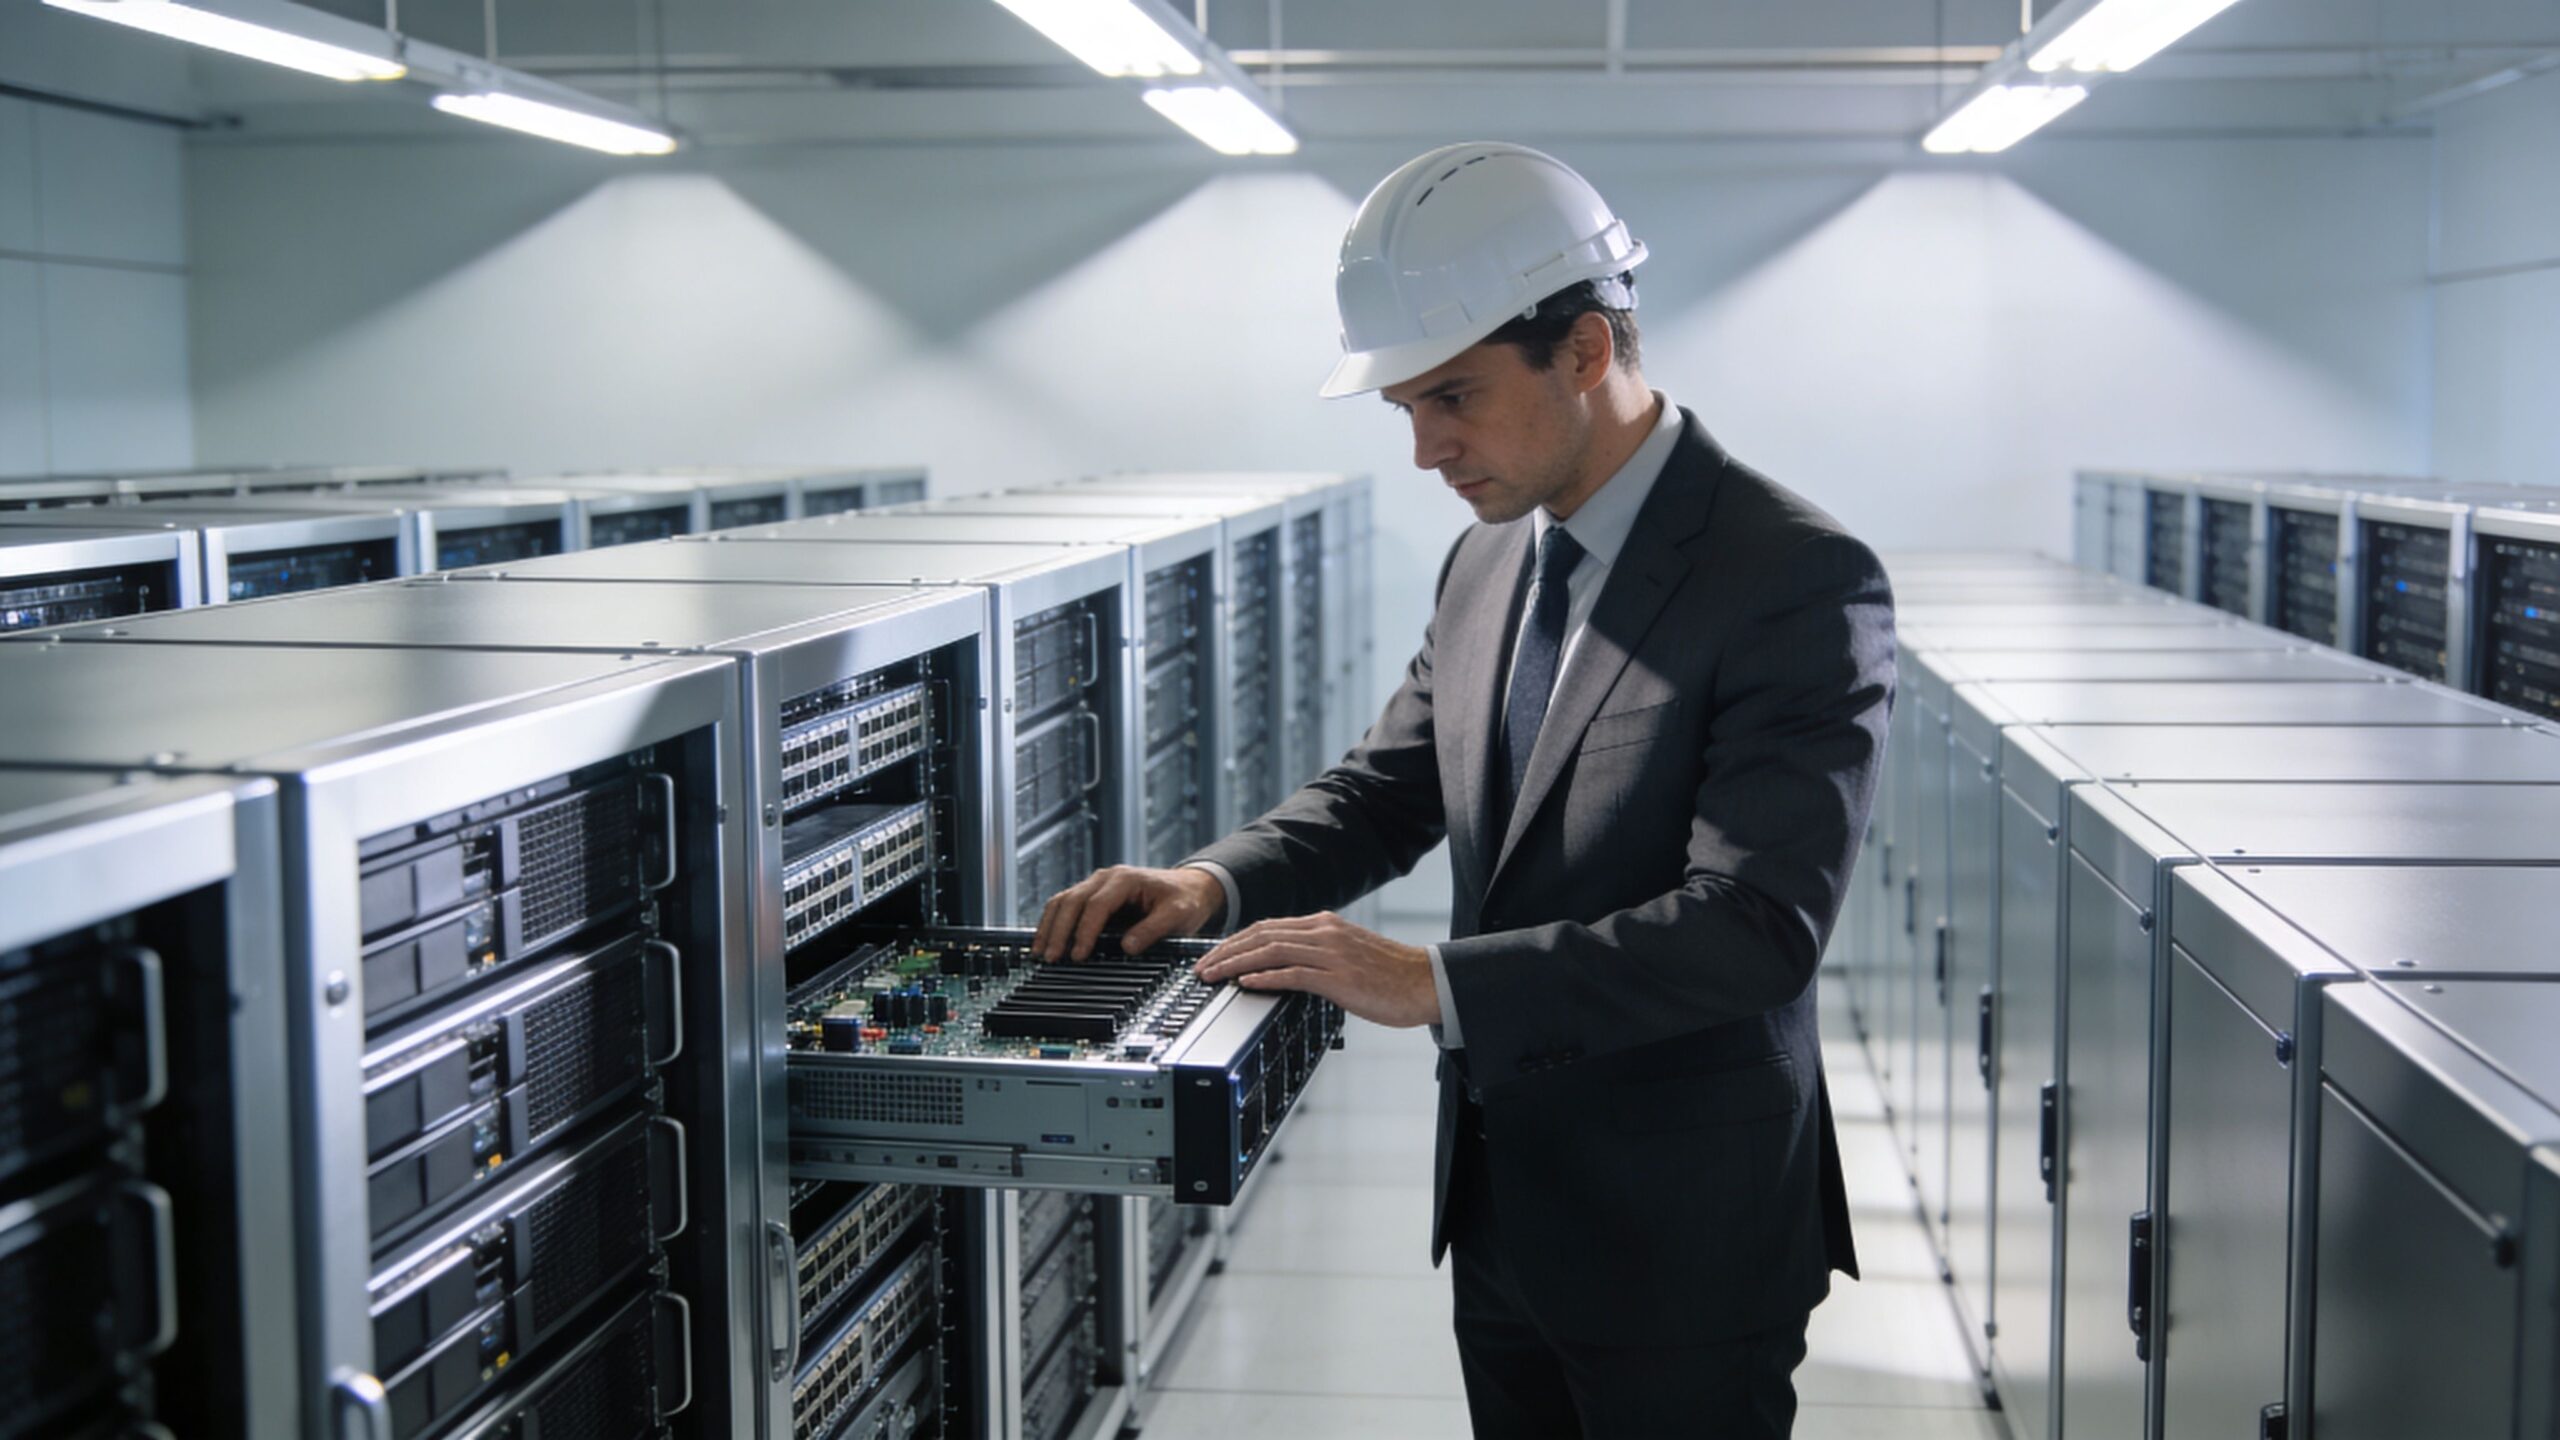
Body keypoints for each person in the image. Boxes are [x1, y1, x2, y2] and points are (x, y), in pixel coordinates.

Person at [1034, 141, 1894, 1439]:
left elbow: (1756, 928)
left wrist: (1430, 984)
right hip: (1503, 1206)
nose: (1429, 448)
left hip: (1686, 1231)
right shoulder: (1489, 563)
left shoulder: (1791, 576)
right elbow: (1389, 790)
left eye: (1456, 398)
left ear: (1589, 350)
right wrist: (1209, 880)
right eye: (1406, 412)